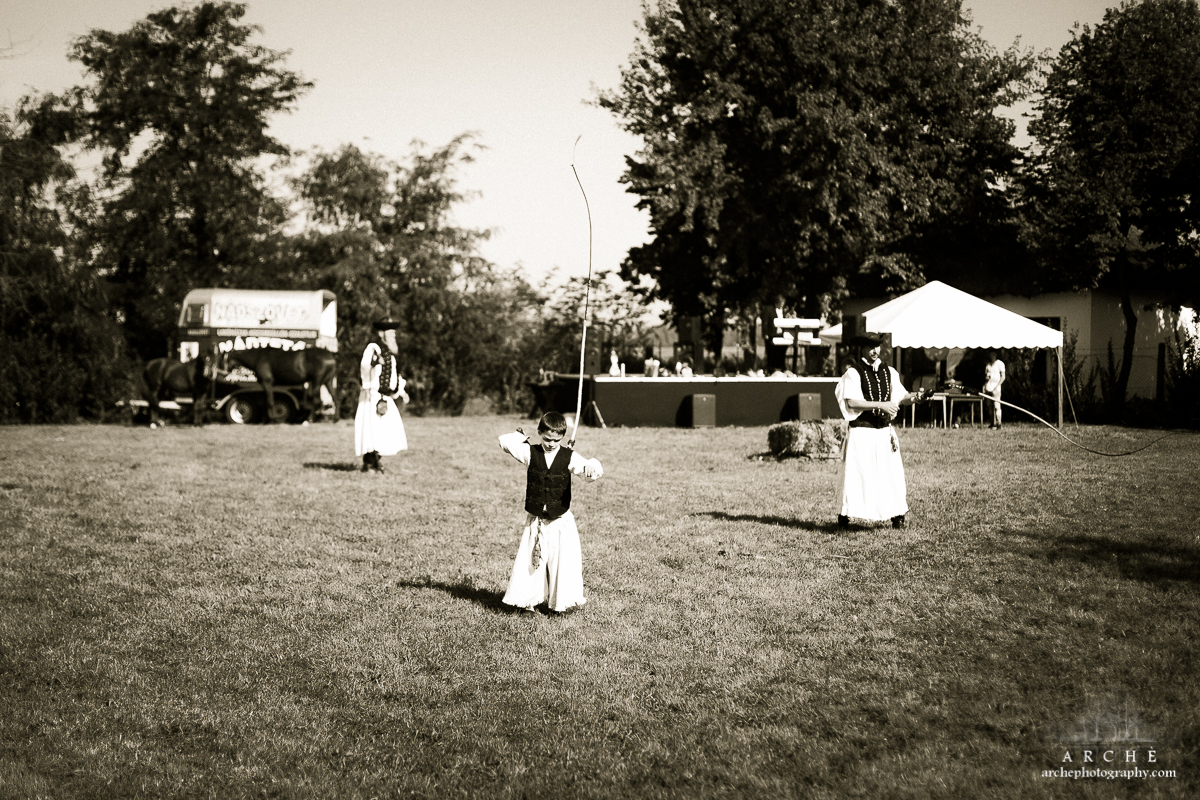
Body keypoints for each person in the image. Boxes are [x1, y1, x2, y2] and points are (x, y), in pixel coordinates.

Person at [498, 412, 603, 613]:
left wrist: (591, 466)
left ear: (563, 437)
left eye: (556, 440)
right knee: (531, 564)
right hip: (536, 520)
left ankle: (560, 604)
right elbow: (504, 441)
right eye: (547, 439)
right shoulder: (530, 452)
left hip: (559, 521)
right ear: (539, 432)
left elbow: (592, 471)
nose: (551, 444)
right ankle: (528, 604)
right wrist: (520, 437)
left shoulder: (569, 456)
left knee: (561, 563)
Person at [835, 335, 925, 530]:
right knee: (857, 475)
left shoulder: (889, 372)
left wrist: (916, 397)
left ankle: (897, 516)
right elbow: (852, 402)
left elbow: (901, 396)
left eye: (876, 346)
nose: (874, 351)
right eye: (870, 347)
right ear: (862, 349)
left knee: (891, 473)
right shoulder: (853, 373)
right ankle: (845, 515)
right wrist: (880, 405)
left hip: (884, 431)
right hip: (862, 431)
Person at [355, 320, 410, 473]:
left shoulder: (391, 354)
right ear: (381, 334)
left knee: (386, 430)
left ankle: (376, 461)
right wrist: (374, 362)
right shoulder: (373, 348)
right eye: (390, 333)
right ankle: (369, 464)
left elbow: (394, 375)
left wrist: (401, 391)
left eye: (394, 333)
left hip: (385, 397)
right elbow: (364, 366)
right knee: (371, 430)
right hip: (372, 396)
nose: (394, 335)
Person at [984, 350, 1006, 429]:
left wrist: (998, 385)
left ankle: (999, 423)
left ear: (996, 354)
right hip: (988, 388)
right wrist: (986, 380)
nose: (991, 355)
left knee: (997, 406)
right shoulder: (988, 365)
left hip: (996, 388)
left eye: (993, 354)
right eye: (990, 354)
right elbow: (986, 377)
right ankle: (992, 423)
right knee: (990, 407)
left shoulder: (1000, 363)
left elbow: (1003, 377)